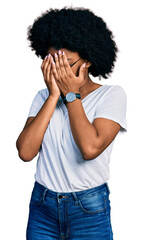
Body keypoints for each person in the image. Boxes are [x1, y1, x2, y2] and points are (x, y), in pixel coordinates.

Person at [16, 6, 127, 240]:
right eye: (51, 61)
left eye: (65, 62)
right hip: (42, 207)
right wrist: (53, 96)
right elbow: (26, 152)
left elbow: (89, 148)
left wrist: (70, 94)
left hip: (88, 209)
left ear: (87, 60)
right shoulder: (42, 98)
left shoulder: (111, 95)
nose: (57, 69)